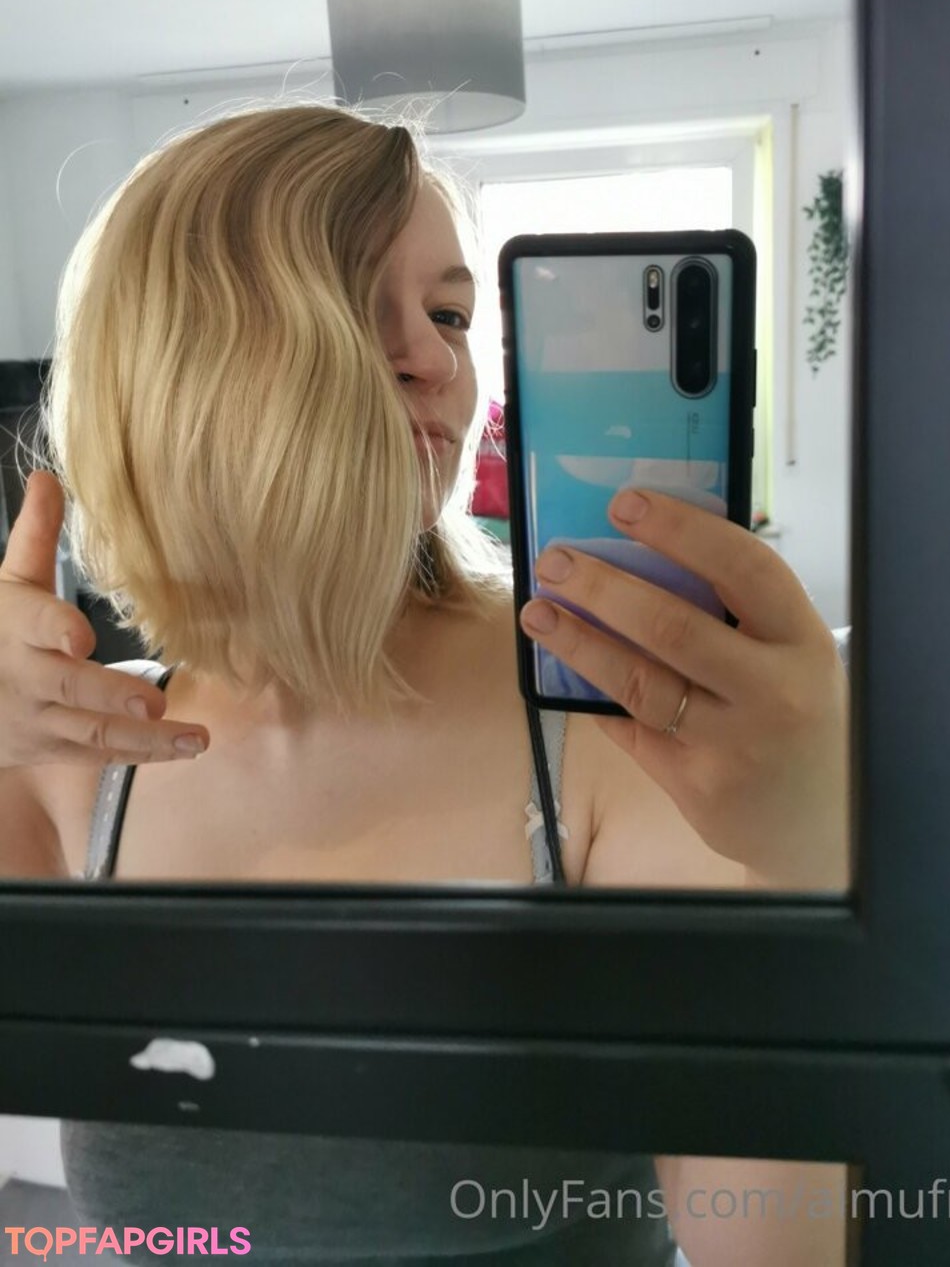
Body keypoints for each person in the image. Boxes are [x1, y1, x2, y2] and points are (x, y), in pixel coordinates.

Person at [0, 104, 850, 1264]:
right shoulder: (64, 760)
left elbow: (779, 1247)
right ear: (175, 363)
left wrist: (809, 875)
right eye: (354, 306)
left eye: (450, 314)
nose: (440, 361)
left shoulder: (603, 728)